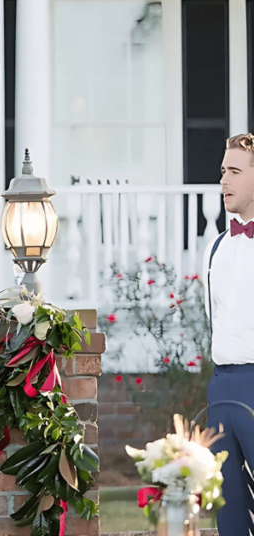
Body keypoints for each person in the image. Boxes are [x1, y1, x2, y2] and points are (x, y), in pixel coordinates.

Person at [203, 132, 254, 536]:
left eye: (235, 172)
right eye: (223, 172)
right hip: (221, 387)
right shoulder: (216, 247)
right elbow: (213, 318)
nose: (224, 181)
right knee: (227, 505)